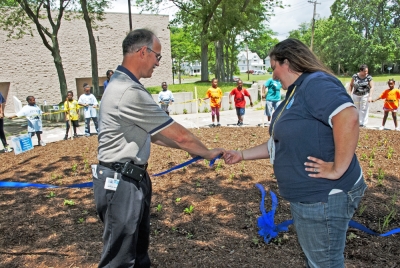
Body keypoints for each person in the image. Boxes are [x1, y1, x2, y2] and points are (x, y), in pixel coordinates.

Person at [224, 38, 367, 268]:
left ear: (287, 62)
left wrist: (337, 168)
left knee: (325, 264)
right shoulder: (296, 91)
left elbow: (348, 116)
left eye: (274, 68)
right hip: (311, 199)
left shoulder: (315, 83)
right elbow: (280, 142)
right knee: (317, 262)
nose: (273, 75)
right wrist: (241, 154)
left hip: (323, 198)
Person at [93, 28, 223, 268]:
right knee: (119, 260)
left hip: (131, 179)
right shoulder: (128, 91)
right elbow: (180, 135)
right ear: (143, 52)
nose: (158, 63)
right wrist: (207, 151)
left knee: (138, 253)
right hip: (120, 183)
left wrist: (194, 151)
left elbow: (156, 136)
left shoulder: (123, 85)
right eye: (158, 56)